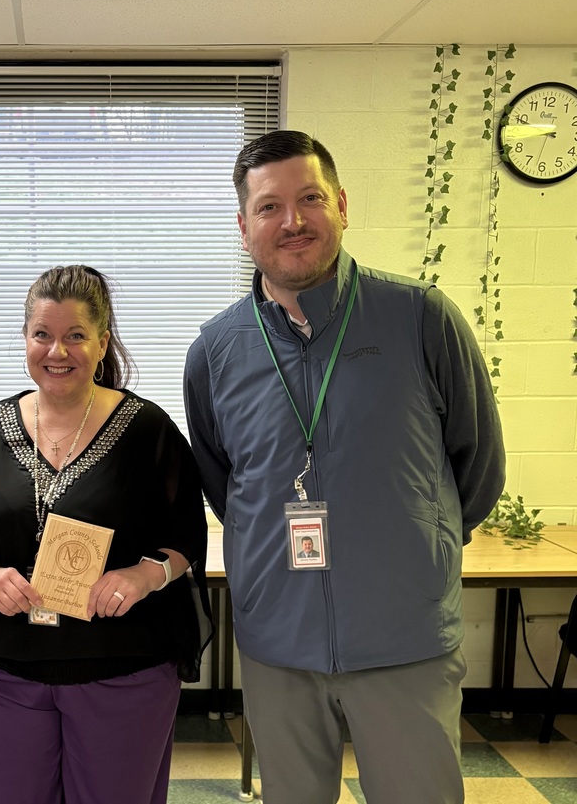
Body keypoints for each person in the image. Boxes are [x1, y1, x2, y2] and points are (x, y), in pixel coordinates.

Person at [183, 131, 505, 804]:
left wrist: (420, 547)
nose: (293, 221)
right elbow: (225, 485)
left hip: (404, 637)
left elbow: (477, 470)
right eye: (269, 208)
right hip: (278, 644)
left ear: (343, 205)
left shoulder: (419, 317)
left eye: (310, 199)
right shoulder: (216, 349)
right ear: (244, 228)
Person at [0, 265, 212, 804]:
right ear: (25, 339)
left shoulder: (148, 431)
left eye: (75, 336)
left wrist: (141, 576)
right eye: (42, 334)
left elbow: (185, 536)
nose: (56, 351)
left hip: (122, 670)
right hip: (7, 670)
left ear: (102, 342)